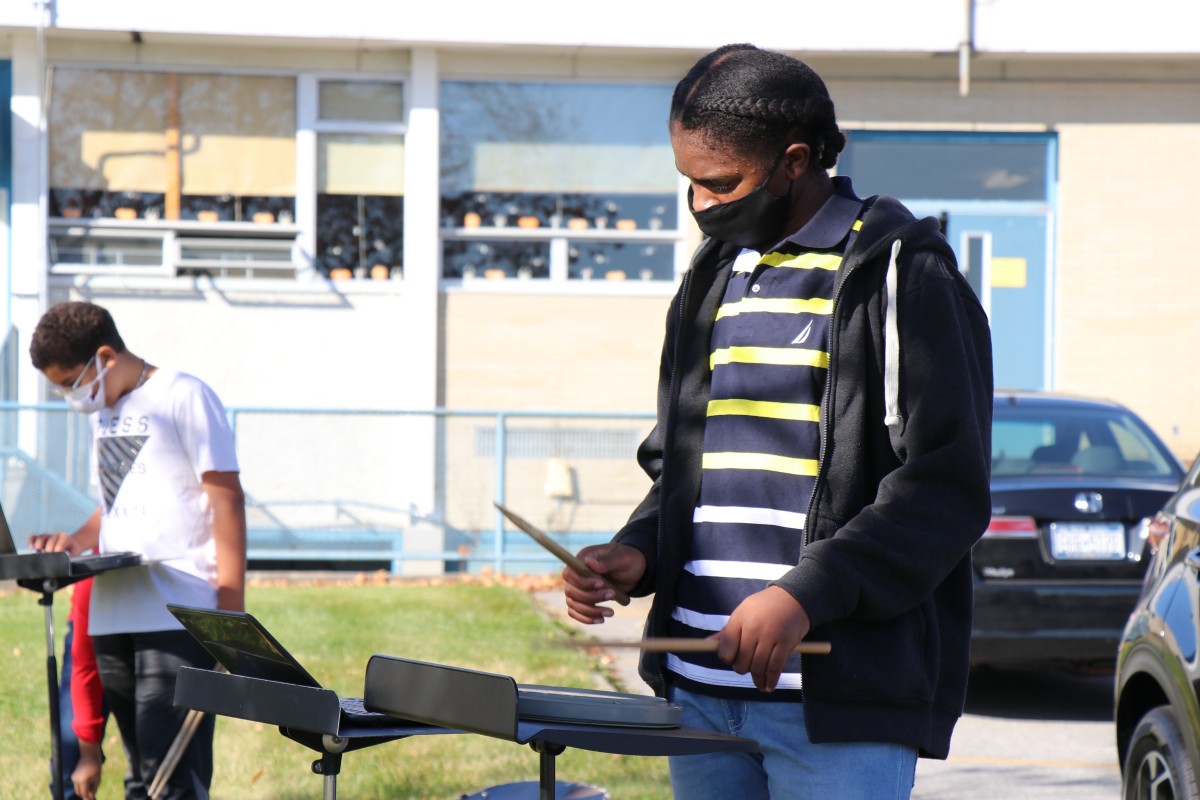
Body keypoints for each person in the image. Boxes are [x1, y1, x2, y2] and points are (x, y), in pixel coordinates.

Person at [561, 44, 993, 800]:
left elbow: (945, 492)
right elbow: (688, 464)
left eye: (719, 183)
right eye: (689, 183)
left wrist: (806, 593)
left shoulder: (903, 272)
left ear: (795, 161)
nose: (700, 203)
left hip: (835, 711)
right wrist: (639, 552)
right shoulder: (715, 273)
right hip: (696, 695)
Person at [28, 300, 246, 800]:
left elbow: (226, 498)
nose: (70, 396)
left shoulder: (184, 396)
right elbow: (113, 503)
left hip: (179, 615)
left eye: (70, 382)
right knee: (142, 778)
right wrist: (76, 540)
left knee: (173, 778)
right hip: (112, 617)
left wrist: (230, 611)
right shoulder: (101, 414)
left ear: (105, 357)